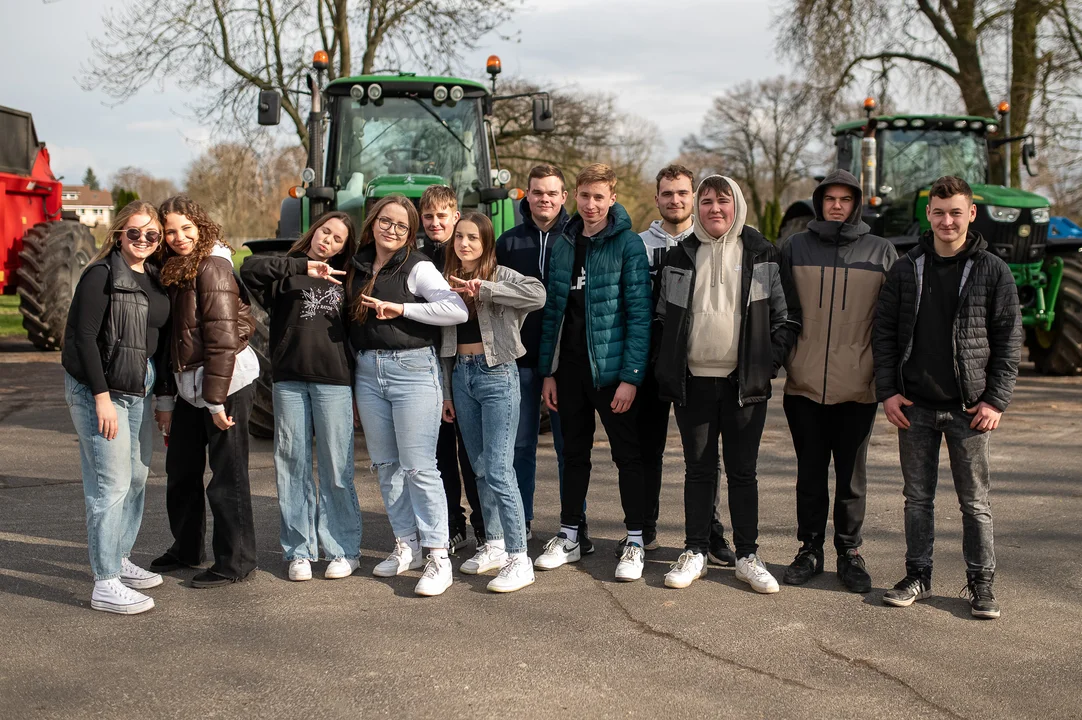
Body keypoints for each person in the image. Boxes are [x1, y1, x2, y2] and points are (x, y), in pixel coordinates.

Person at [873, 175, 1021, 619]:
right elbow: (883, 334)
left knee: (974, 502)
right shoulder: (906, 267)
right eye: (938, 212)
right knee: (917, 499)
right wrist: (889, 393)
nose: (947, 220)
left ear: (971, 214)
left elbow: (1009, 340)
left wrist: (996, 400)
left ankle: (981, 583)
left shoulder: (993, 270)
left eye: (956, 212)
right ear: (928, 214)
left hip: (969, 409)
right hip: (914, 407)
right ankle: (917, 574)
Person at [654, 175, 799, 591]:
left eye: (723, 201)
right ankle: (695, 550)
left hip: (744, 385)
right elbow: (662, 317)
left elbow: (785, 318)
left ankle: (748, 555)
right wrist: (665, 364)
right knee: (698, 470)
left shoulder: (763, 252)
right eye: (706, 202)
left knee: (743, 472)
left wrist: (765, 364)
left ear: (736, 204)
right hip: (692, 383)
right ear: (697, 209)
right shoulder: (680, 255)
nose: (714, 209)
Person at [779, 169, 897, 593]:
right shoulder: (795, 247)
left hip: (858, 387)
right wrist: (785, 360)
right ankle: (809, 549)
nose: (836, 205)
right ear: (818, 201)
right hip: (804, 385)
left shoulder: (882, 252)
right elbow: (780, 311)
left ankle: (850, 552)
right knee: (809, 475)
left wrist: (885, 379)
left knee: (851, 477)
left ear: (856, 204)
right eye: (829, 198)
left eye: (845, 199)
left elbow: (892, 324)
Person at [533, 163, 653, 582]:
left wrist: (631, 377)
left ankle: (635, 540)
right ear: (575, 197)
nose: (590, 205)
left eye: (599, 197)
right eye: (584, 196)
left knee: (627, 456)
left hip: (612, 372)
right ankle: (570, 535)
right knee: (573, 453)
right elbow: (552, 312)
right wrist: (548, 371)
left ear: (612, 199)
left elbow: (639, 315)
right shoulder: (564, 242)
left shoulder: (628, 244)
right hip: (569, 372)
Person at [347, 194, 469, 597]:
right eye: (386, 221)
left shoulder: (418, 266)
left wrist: (402, 310)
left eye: (401, 225)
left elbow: (456, 310)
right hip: (367, 371)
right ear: (373, 221)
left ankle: (438, 556)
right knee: (386, 465)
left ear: (410, 233)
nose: (392, 230)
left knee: (419, 466)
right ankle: (408, 545)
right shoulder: (358, 264)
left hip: (413, 370)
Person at [240, 212, 362, 582]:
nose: (329, 241)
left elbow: (357, 336)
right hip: (289, 381)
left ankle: (343, 549)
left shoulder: (348, 279)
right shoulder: (285, 272)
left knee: (336, 467)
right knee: (290, 466)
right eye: (326, 231)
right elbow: (248, 269)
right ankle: (299, 551)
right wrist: (302, 266)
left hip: (335, 383)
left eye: (339, 239)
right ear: (315, 230)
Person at [61, 200, 170, 614]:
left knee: (139, 476)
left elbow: (156, 341)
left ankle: (121, 557)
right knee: (111, 485)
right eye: (135, 233)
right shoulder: (101, 275)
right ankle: (105, 581)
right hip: (100, 388)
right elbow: (85, 338)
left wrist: (161, 396)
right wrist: (101, 397)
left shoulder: (155, 277)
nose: (143, 240)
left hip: (138, 383)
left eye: (152, 235)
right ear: (119, 234)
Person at [151, 195, 259, 588]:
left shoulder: (212, 264)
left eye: (186, 228)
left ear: (201, 227)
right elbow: (169, 342)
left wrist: (215, 400)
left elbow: (221, 337)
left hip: (225, 382)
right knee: (181, 469)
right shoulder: (172, 269)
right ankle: (186, 548)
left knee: (227, 475)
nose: (179, 237)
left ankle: (236, 561)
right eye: (170, 231)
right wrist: (166, 399)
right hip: (187, 386)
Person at [632, 164, 736, 566]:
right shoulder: (638, 244)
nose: (675, 200)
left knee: (706, 456)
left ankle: (711, 533)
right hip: (651, 359)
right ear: (656, 198)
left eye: (682, 193)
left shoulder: (712, 239)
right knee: (648, 449)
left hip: (696, 361)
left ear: (692, 197)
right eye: (667, 193)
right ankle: (645, 528)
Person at [439, 212, 547, 592]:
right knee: (480, 466)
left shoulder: (500, 275)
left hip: (497, 374)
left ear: (486, 242)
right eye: (459, 237)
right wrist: (448, 393)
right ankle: (496, 545)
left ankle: (520, 558)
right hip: (461, 377)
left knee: (500, 469)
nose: (464, 243)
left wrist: (484, 289)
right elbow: (444, 347)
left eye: (472, 237)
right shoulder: (446, 281)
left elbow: (538, 295)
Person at [495, 164, 570, 543]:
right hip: (520, 361)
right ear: (527, 194)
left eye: (551, 192)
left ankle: (573, 525)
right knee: (520, 445)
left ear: (563, 197)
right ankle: (521, 521)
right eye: (538, 192)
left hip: (564, 362)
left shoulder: (576, 239)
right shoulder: (507, 243)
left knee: (566, 448)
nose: (544, 199)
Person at [419, 185, 483, 553]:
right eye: (428, 217)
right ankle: (452, 522)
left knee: (471, 453)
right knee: (441, 452)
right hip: (430, 364)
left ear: (456, 215)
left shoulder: (463, 254)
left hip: (466, 360)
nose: (435, 223)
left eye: (442, 215)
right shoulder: (415, 257)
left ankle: (483, 525)